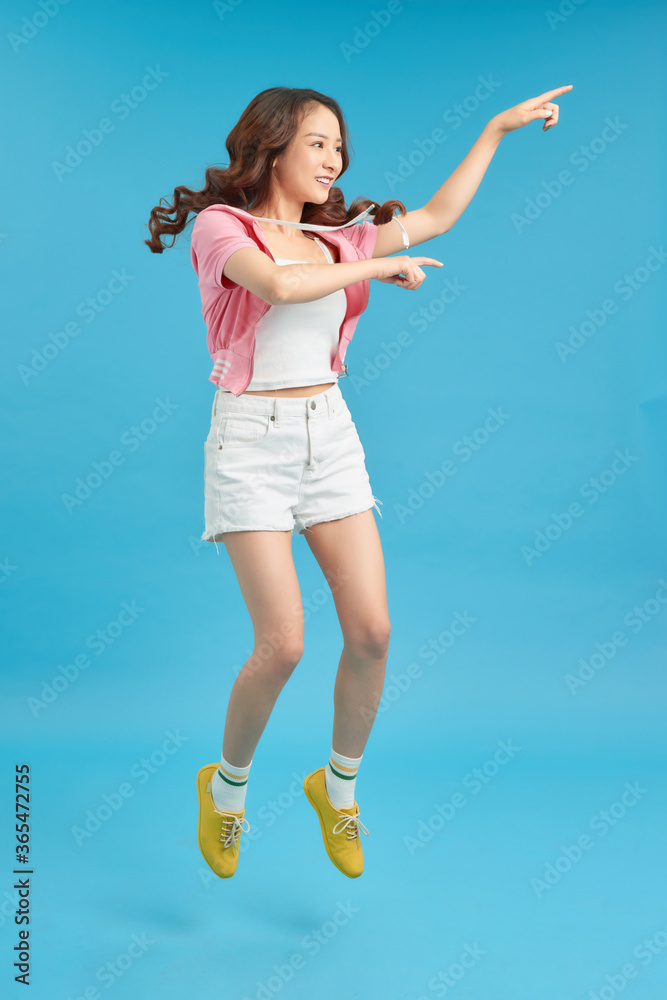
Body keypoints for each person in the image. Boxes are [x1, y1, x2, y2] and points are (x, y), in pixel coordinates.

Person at [144, 82, 572, 880]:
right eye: (316, 143)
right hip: (249, 444)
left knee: (371, 633)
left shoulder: (340, 235)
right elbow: (276, 286)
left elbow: (439, 215)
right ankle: (226, 793)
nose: (333, 160)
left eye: (339, 147)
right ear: (271, 144)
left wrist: (493, 130)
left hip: (329, 437)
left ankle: (337, 789)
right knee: (283, 645)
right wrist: (381, 265)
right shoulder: (220, 228)